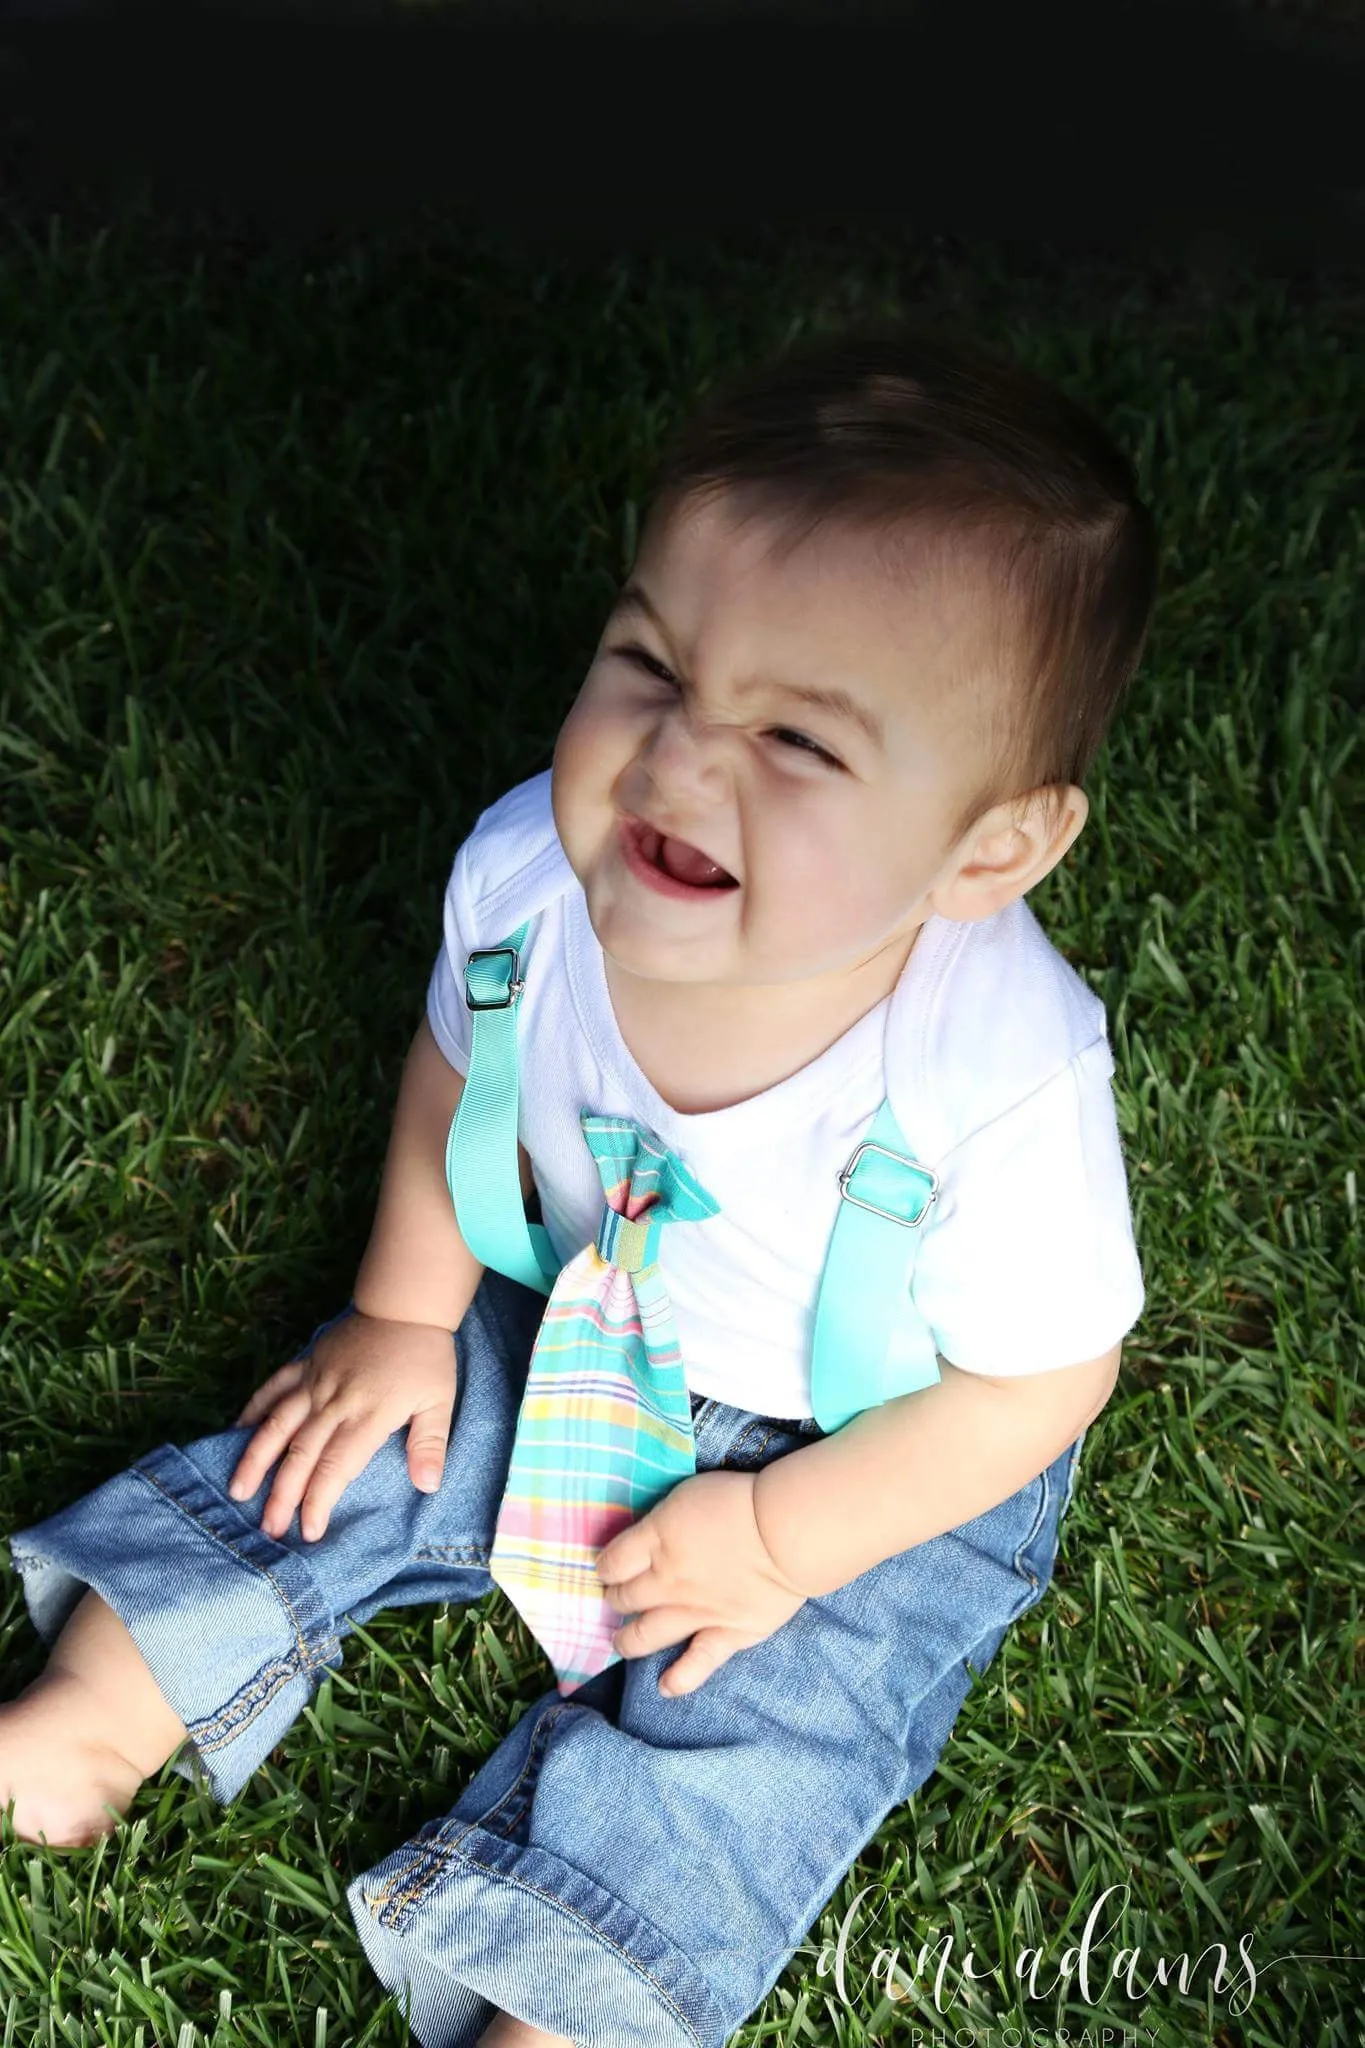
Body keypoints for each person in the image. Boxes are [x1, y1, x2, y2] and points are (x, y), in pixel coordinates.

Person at [1, 317, 1156, 2048]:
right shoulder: (536, 874)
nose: (682, 762)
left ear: (989, 848)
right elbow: (457, 1062)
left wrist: (778, 1535)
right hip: (581, 1315)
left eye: (803, 744)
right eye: (652, 666)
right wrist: (404, 1311)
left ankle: (563, 1994)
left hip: (882, 1446)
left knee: (774, 1713)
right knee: (345, 1448)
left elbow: (1042, 1385)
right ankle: (101, 1691)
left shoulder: (995, 1077)